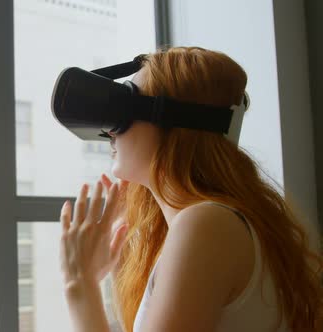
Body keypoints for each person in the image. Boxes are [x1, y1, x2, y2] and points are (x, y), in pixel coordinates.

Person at [58, 47, 323, 332]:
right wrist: (119, 262)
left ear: (173, 122)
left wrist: (79, 285)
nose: (110, 131)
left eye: (125, 106)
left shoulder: (207, 225)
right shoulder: (219, 224)